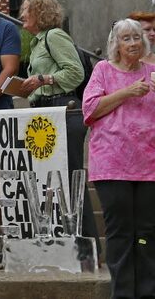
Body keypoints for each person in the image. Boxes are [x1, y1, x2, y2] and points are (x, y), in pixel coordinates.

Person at [18, 0, 99, 248]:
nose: (21, 14)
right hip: (44, 112)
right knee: (53, 182)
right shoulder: (37, 42)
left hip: (63, 110)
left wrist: (43, 79)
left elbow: (75, 73)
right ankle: (64, 245)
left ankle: (87, 249)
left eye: (26, 9)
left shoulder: (54, 36)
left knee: (72, 182)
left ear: (39, 12)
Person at [83, 19, 155, 298]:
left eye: (137, 37)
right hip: (112, 164)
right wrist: (127, 92)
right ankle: (123, 293)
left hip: (149, 164)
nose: (134, 43)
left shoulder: (152, 73)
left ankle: (148, 292)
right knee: (121, 231)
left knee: (148, 231)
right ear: (116, 44)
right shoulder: (103, 70)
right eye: (126, 38)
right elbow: (90, 110)